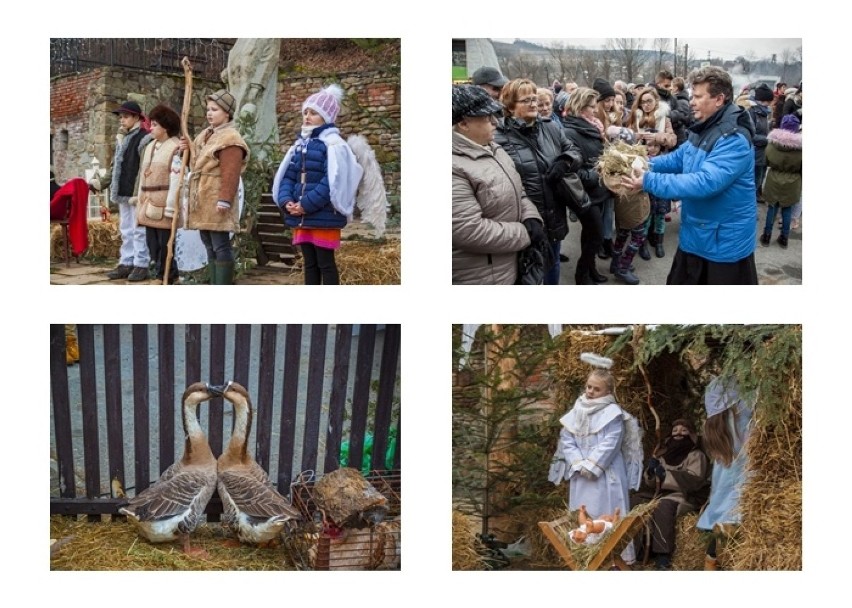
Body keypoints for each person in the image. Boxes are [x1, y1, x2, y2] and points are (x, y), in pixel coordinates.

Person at [621, 65, 759, 285]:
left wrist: (648, 180)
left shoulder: (733, 139)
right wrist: (645, 164)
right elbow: (677, 159)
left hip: (722, 246)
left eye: (698, 96)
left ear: (719, 99)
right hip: (698, 234)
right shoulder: (706, 127)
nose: (691, 101)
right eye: (692, 95)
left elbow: (705, 182)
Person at [451, 84, 544, 284]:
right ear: (463, 124)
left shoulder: (494, 149)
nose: (495, 122)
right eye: (486, 118)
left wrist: (531, 217)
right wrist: (524, 233)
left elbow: (519, 191)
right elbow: (467, 230)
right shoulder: (453, 166)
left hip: (509, 265)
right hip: (482, 276)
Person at [548, 367, 643, 563]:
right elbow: (567, 438)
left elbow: (611, 442)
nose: (590, 392)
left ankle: (613, 559)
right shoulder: (578, 410)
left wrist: (591, 465)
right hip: (581, 474)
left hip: (606, 474)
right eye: (588, 387)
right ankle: (583, 554)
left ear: (608, 392)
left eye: (596, 389)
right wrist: (578, 462)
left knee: (607, 514)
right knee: (583, 513)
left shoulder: (613, 414)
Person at [494, 78, 584, 284]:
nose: (534, 104)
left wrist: (565, 161)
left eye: (535, 99)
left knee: (552, 265)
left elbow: (574, 151)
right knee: (525, 271)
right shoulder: (498, 136)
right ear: (510, 106)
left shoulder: (550, 127)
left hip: (553, 213)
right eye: (527, 100)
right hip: (522, 219)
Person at [272, 84, 362, 285]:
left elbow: (332, 182)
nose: (307, 116)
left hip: (322, 215)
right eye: (305, 112)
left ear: (327, 117)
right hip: (301, 215)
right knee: (309, 263)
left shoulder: (334, 146)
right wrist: (287, 200)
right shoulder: (300, 145)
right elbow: (289, 176)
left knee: (325, 263)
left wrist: (306, 204)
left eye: (314, 113)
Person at [180, 89, 249, 285]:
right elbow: (194, 164)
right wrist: (185, 151)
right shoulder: (205, 135)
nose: (209, 113)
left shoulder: (230, 139)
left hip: (216, 197)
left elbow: (230, 173)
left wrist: (225, 199)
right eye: (208, 109)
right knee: (208, 243)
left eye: (215, 109)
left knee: (220, 244)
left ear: (226, 113)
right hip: (202, 197)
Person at [630, 419, 710, 570]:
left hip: (683, 496)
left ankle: (663, 555)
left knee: (664, 506)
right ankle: (639, 548)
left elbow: (694, 480)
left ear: (692, 435)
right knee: (636, 501)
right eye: (675, 431)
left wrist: (665, 476)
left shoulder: (696, 455)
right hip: (660, 494)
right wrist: (652, 473)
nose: (679, 433)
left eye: (684, 430)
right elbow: (651, 483)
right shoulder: (663, 455)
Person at [89, 100, 152, 281]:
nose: (121, 120)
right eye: (120, 117)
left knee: (139, 230)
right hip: (122, 190)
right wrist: (100, 183)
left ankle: (141, 264)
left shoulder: (145, 139)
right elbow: (115, 166)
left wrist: (140, 193)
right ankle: (126, 262)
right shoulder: (122, 138)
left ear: (136, 117)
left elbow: (144, 168)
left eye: (125, 117)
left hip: (136, 192)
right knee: (126, 229)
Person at [697, 375, 754, 570]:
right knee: (733, 516)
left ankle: (711, 560)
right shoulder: (740, 414)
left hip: (726, 476)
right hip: (743, 473)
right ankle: (717, 559)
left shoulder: (717, 423)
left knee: (723, 514)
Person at [561, 88, 611, 284]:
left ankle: (590, 269)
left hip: (597, 191)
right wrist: (598, 173)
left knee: (590, 235)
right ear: (580, 108)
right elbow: (572, 169)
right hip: (583, 193)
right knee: (596, 235)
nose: (595, 110)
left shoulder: (593, 127)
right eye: (591, 107)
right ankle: (581, 274)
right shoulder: (569, 131)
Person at [623, 86, 676, 262]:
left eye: (649, 101)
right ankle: (642, 243)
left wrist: (656, 137)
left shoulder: (664, 117)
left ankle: (658, 240)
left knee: (660, 208)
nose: (646, 105)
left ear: (656, 102)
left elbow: (672, 139)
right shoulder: (635, 117)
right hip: (640, 167)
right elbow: (626, 140)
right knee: (643, 209)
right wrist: (637, 136)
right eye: (642, 102)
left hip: (660, 167)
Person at [135, 104, 182, 284]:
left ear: (166, 127)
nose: (151, 128)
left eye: (155, 125)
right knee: (152, 244)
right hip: (148, 202)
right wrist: (140, 197)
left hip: (164, 202)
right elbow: (143, 174)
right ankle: (170, 273)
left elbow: (177, 179)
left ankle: (165, 275)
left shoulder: (176, 147)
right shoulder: (149, 146)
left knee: (165, 244)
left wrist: (171, 205)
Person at [760, 114, 802, 249]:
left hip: (774, 179)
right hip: (793, 181)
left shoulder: (772, 145)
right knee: (787, 209)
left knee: (772, 208)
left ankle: (766, 236)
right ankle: (784, 238)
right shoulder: (802, 149)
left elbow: (765, 162)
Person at [592, 78, 618, 260]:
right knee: (600, 210)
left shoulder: (612, 117)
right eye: (606, 100)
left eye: (612, 100)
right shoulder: (595, 120)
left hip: (612, 167)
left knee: (609, 208)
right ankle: (600, 242)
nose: (610, 104)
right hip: (599, 169)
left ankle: (607, 240)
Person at [642, 136, 674, 259]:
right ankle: (643, 245)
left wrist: (674, 198)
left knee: (660, 219)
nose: (653, 149)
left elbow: (671, 178)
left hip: (662, 196)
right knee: (646, 220)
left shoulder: (666, 159)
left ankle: (659, 243)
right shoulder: (643, 160)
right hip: (647, 196)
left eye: (656, 146)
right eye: (650, 145)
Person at [655, 70, 693, 150]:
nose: (670, 88)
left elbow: (681, 114)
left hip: (677, 137)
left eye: (670, 85)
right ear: (658, 84)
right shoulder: (653, 98)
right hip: (660, 141)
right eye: (666, 86)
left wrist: (667, 114)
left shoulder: (672, 97)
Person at [749, 83, 774, 203]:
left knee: (759, 180)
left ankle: (755, 199)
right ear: (760, 100)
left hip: (763, 153)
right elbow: (750, 135)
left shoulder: (765, 113)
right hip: (755, 153)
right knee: (753, 182)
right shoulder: (752, 113)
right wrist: (768, 139)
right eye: (767, 102)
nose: (769, 105)